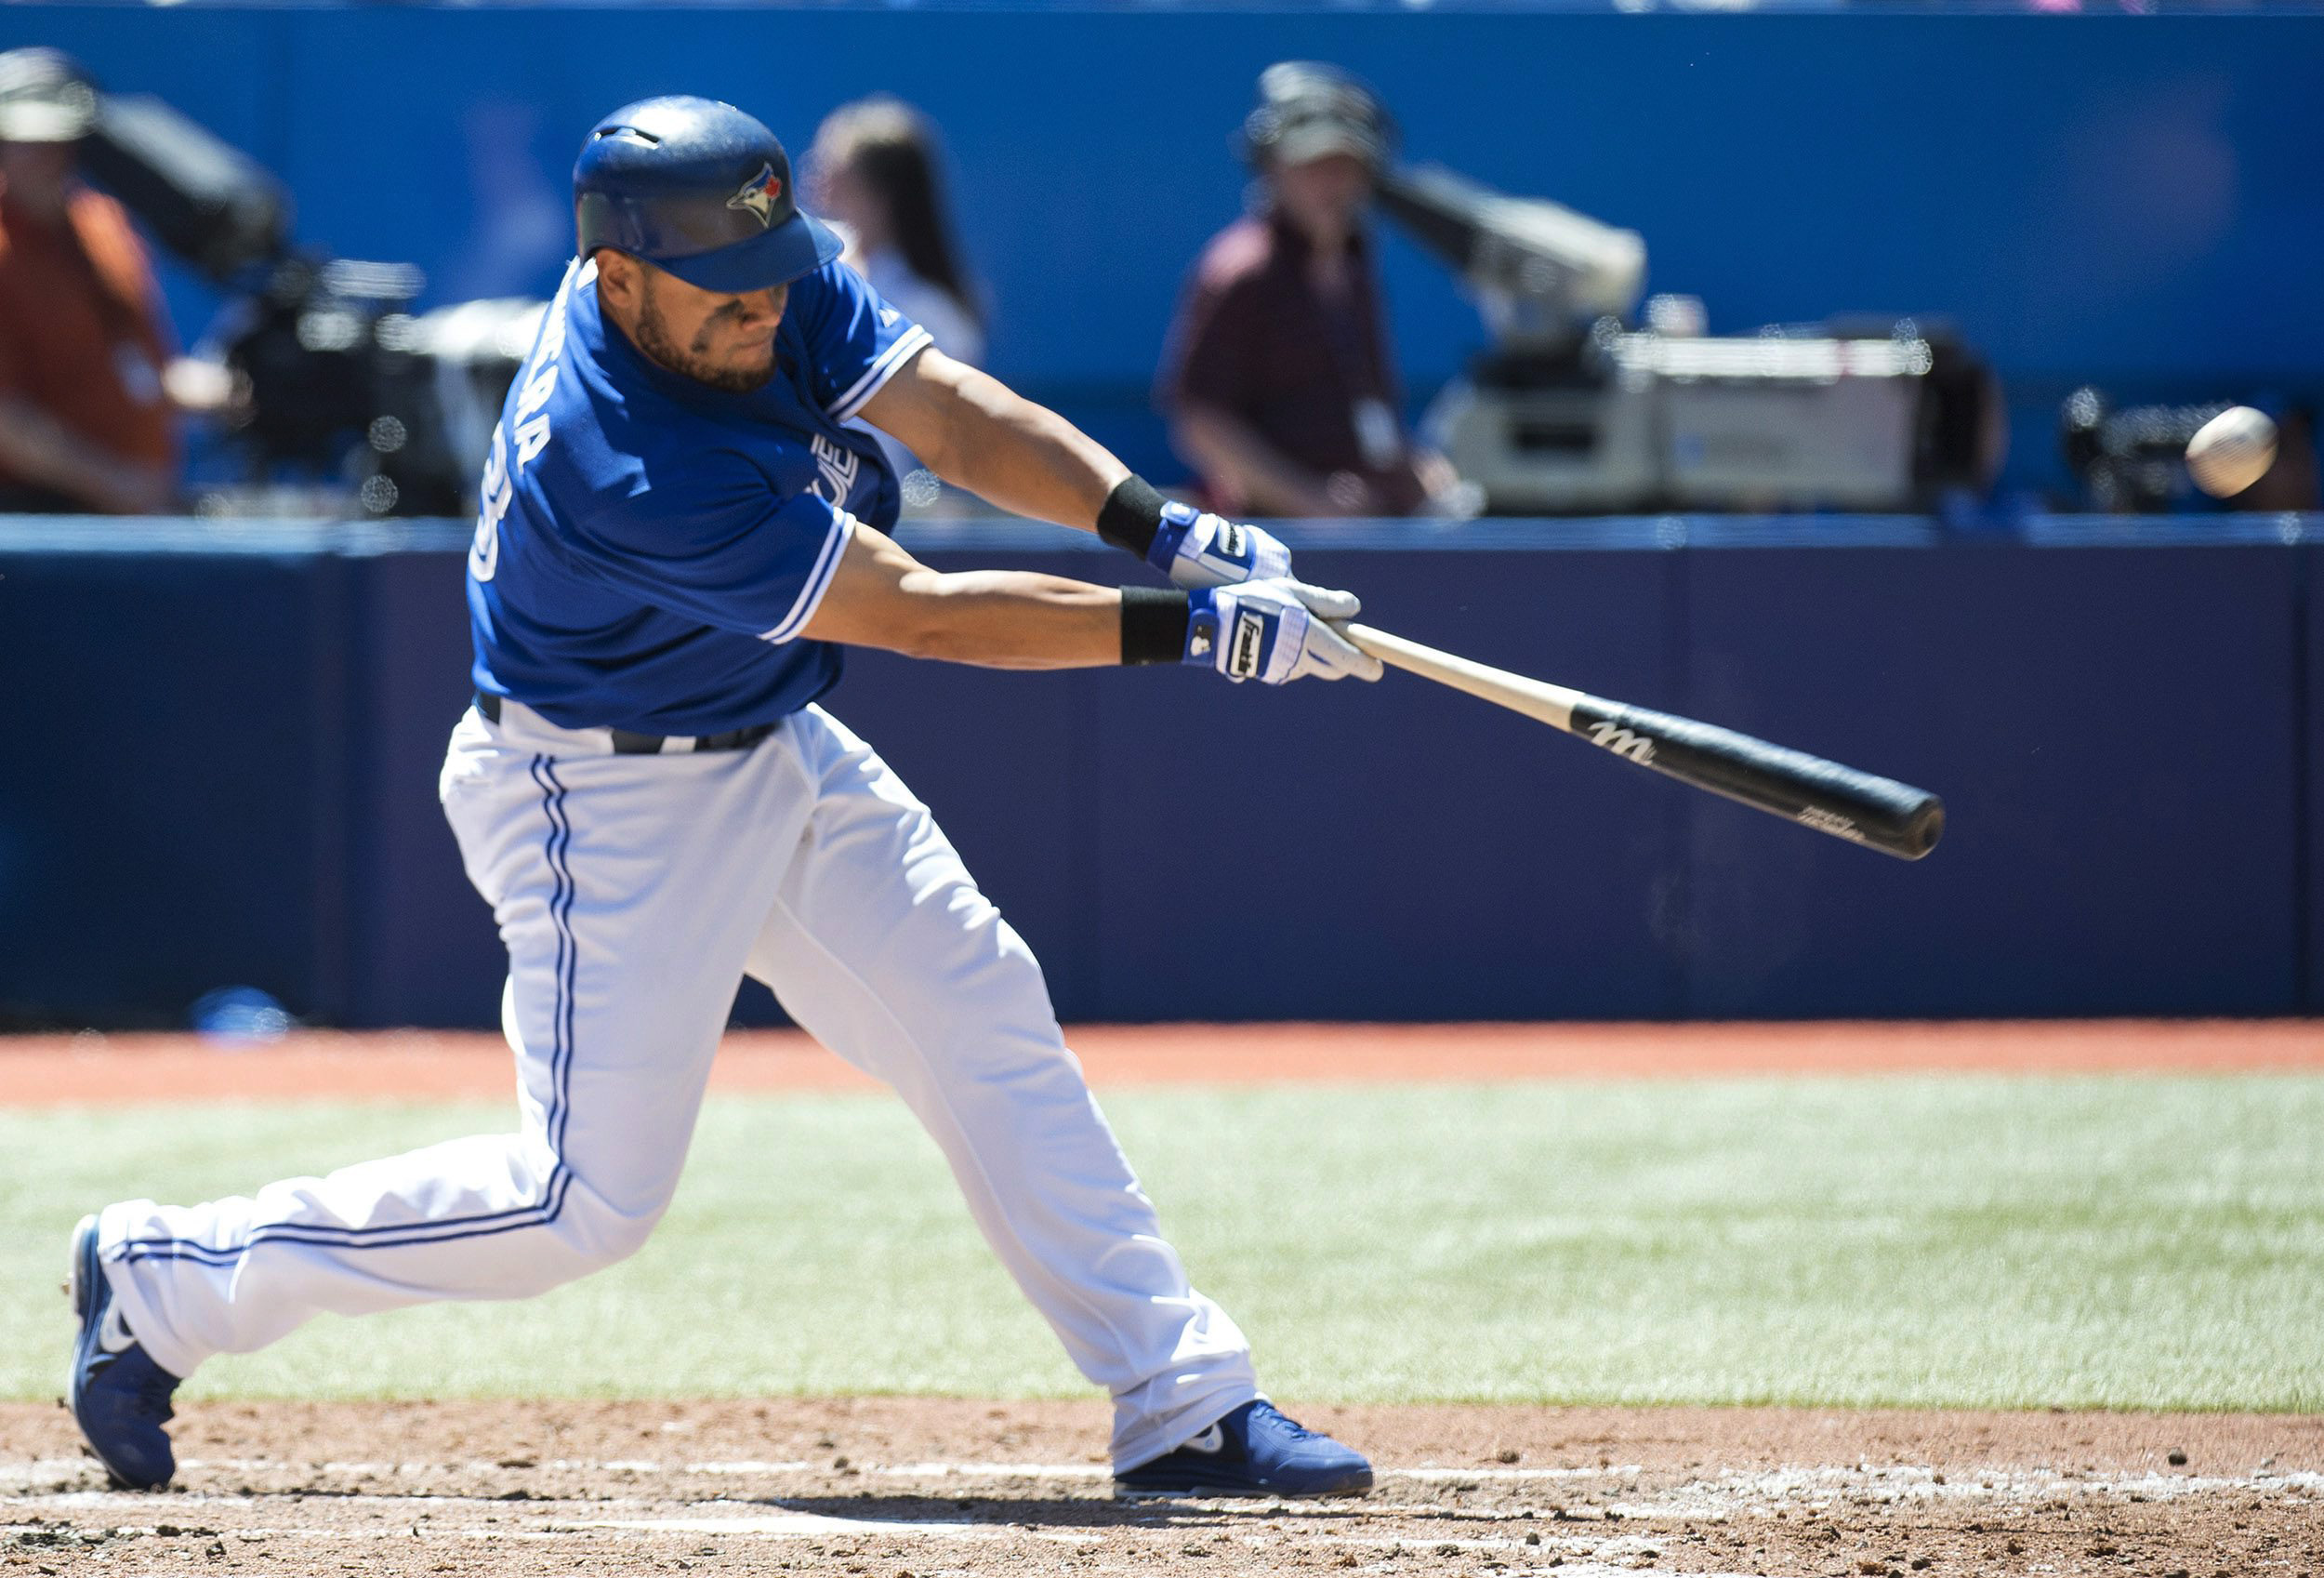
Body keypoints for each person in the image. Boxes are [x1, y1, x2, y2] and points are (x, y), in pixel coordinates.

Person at [67, 95, 1380, 1502]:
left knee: (978, 1005)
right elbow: (925, 613)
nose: (763, 310)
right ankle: (161, 1279)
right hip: (598, 792)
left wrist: (1163, 528)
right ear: (616, 273)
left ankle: (1180, 1398)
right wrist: (1187, 630)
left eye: (774, 277)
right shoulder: (622, 457)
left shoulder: (746, 266)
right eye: (725, 292)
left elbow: (944, 412)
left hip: (762, 736)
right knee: (582, 1206)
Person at [1159, 61, 1456, 519]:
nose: (1331, 184)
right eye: (1311, 166)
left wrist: (1416, 467)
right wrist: (1309, 502)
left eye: (1345, 165)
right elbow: (1201, 422)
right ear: (1271, 169)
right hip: (1280, 538)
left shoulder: (1356, 266)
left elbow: (1369, 406)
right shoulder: (1242, 271)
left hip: (1376, 525)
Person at [0, 48, 180, 514]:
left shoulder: (104, 226)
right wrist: (118, 484)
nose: (47, 158)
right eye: (26, 141)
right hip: (33, 529)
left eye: (60, 140)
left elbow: (142, 369)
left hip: (128, 518)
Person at [806, 95, 984, 484]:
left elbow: (948, 435)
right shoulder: (810, 261)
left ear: (879, 191)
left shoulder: (929, 308)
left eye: (834, 169)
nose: (815, 178)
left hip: (874, 511)